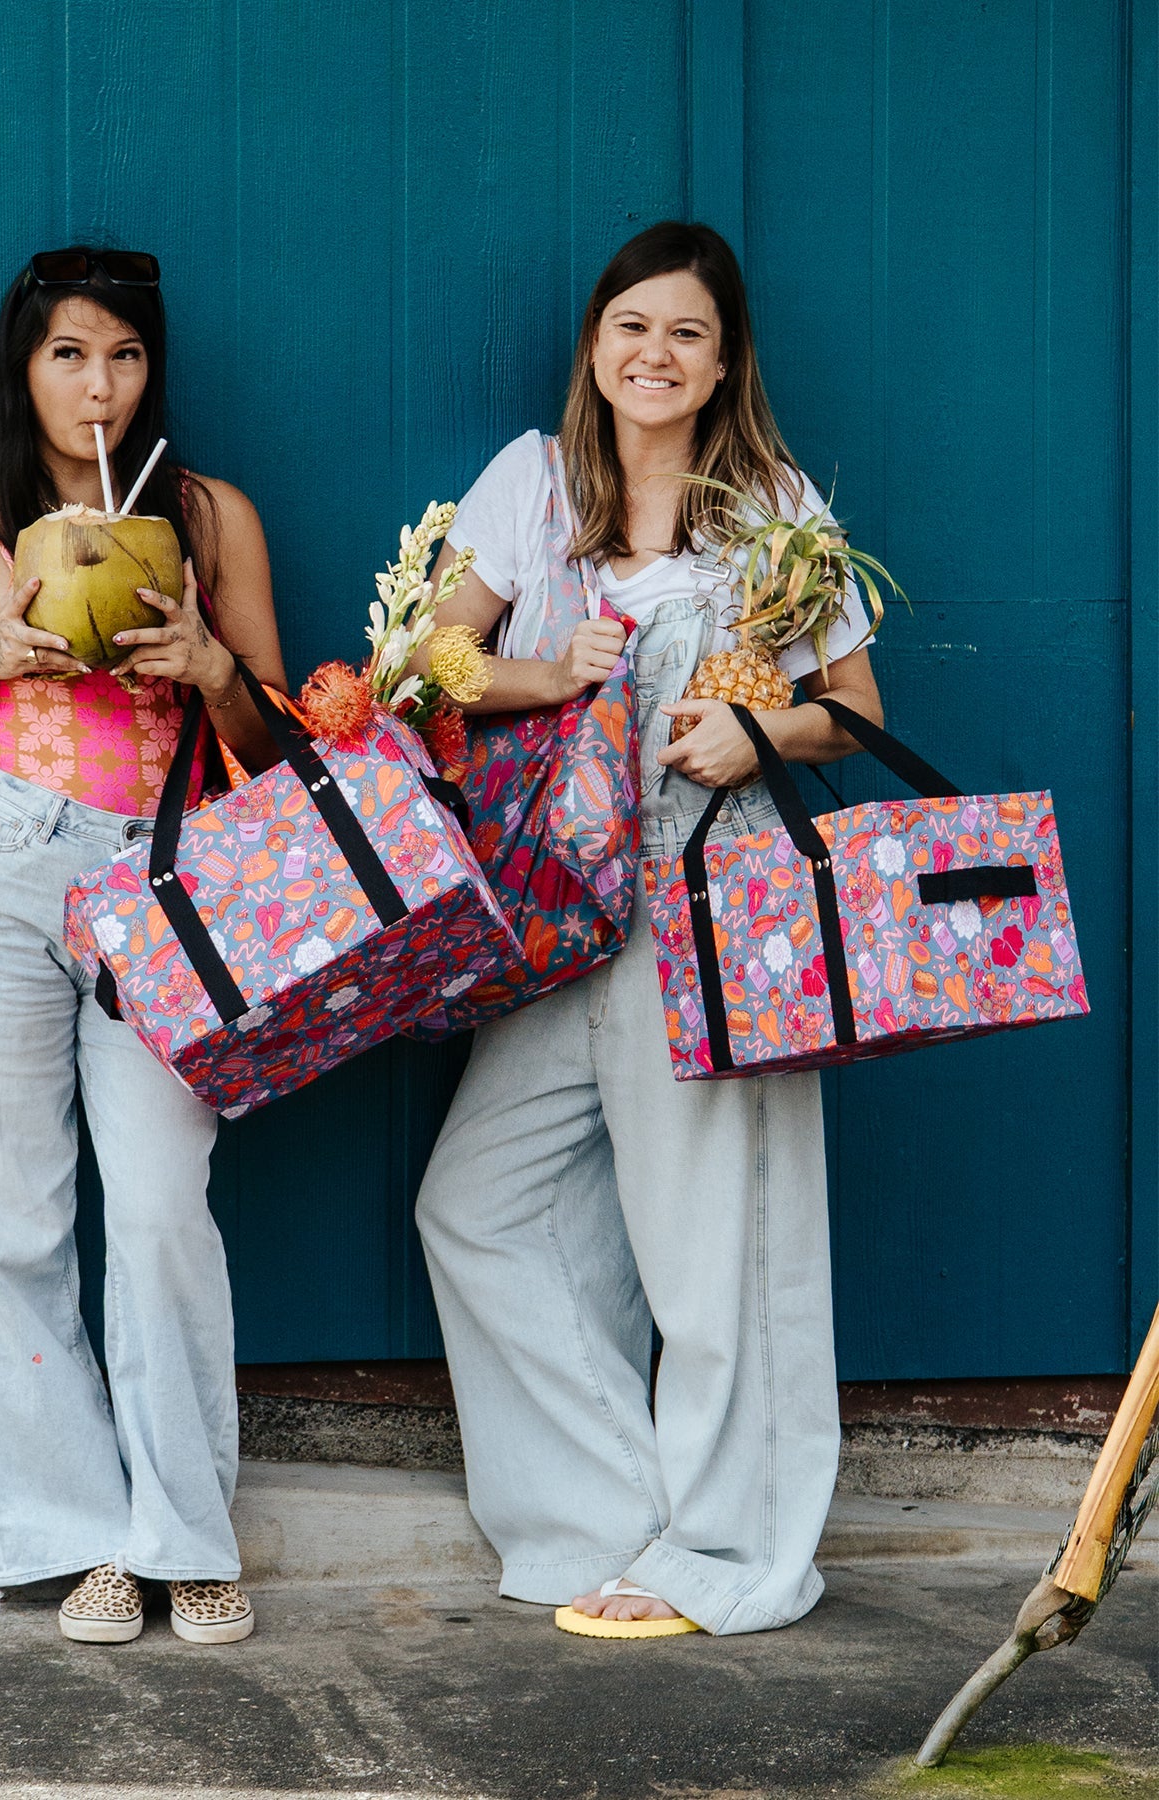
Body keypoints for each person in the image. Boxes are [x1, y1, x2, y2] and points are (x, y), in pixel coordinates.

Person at [413, 221, 883, 1637]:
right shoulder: (534, 481)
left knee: (719, 1249)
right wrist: (549, 671)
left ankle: (735, 1555)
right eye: (631, 326)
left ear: (724, 361)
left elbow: (856, 711)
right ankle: (615, 1515)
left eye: (686, 332)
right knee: (478, 1204)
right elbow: (433, 662)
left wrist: (761, 733)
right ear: (594, 345)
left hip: (711, 900)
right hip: (557, 907)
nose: (655, 354)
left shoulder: (776, 507)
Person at [0, 247, 286, 1645]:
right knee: (5, 1215)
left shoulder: (206, 517)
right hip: (4, 866)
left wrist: (213, 671)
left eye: (123, 354)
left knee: (161, 1205)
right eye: (69, 354)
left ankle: (186, 1536)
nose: (97, 384)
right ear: (25, 365)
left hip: (165, 880)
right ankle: (74, 1537)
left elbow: (275, 746)